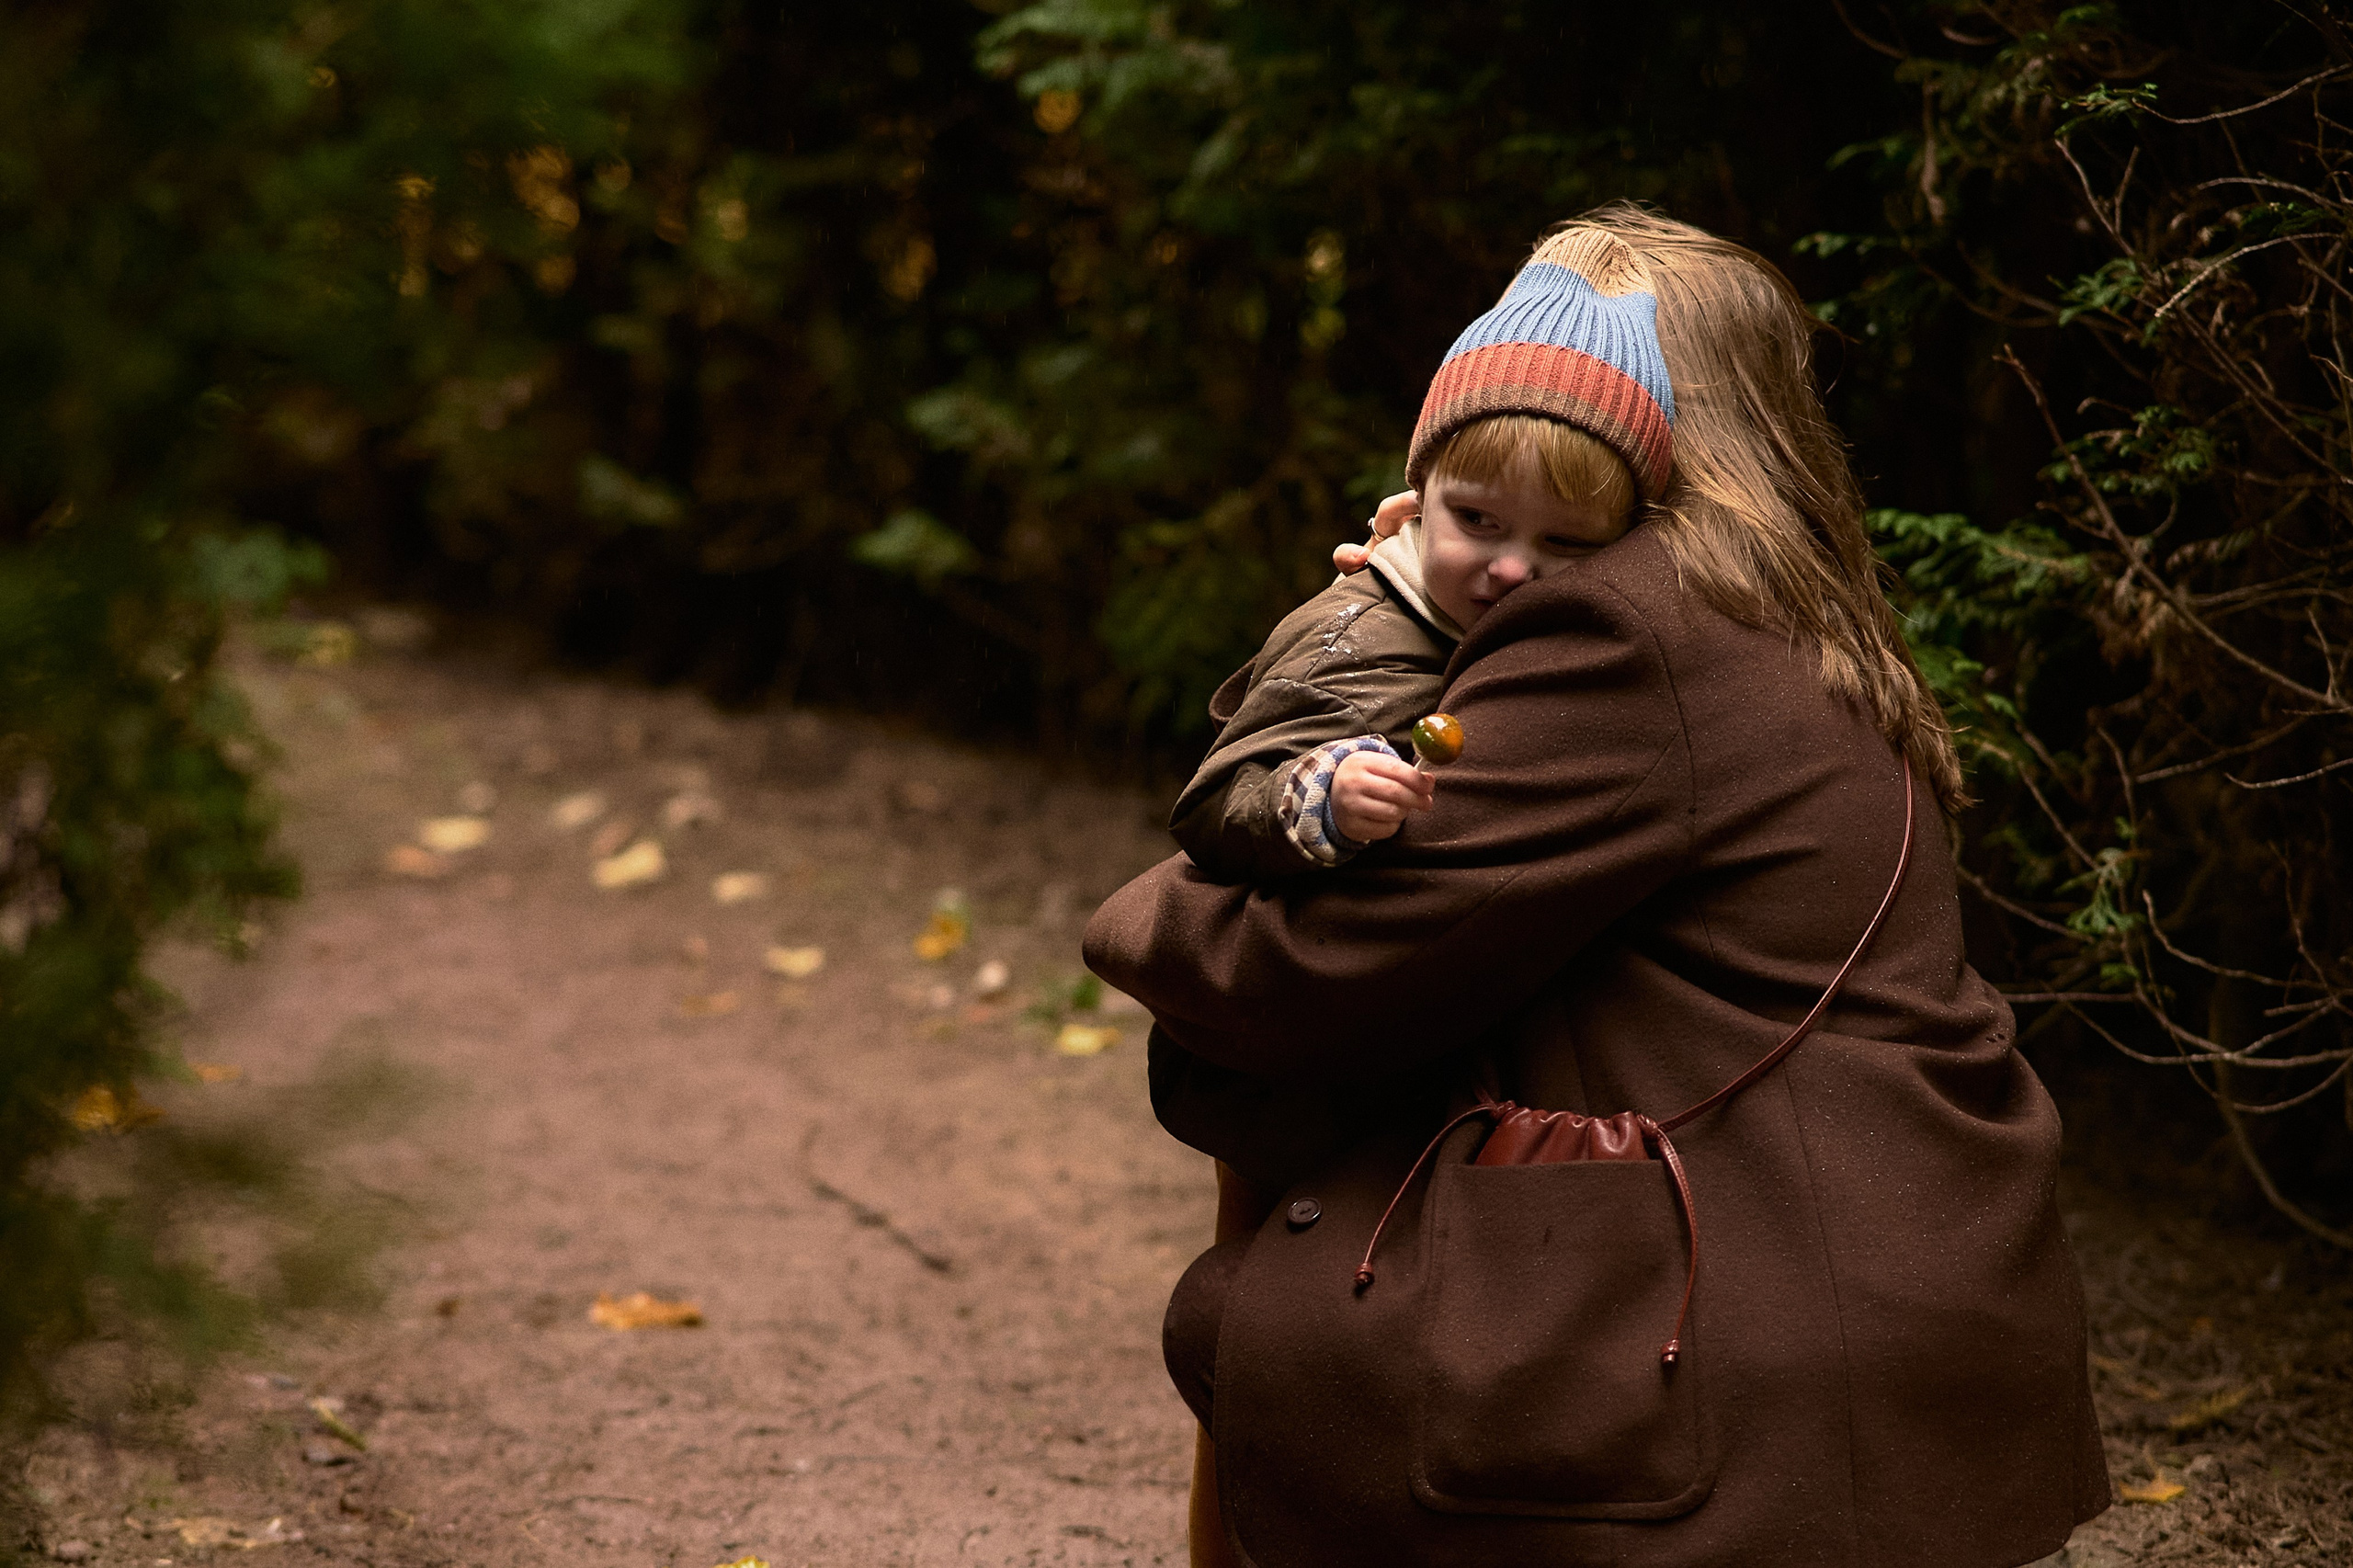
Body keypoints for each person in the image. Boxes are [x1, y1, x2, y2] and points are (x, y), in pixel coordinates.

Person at [1086, 203, 2110, 1568]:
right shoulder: (1799, 603)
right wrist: (1398, 631)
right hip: (1913, 1260)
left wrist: (1162, 896)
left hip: (1741, 1320)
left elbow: (1305, 970)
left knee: (1267, 1325)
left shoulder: (1627, 616)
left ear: (1654, 411)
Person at [1167, 226, 1670, 882]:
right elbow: (1209, 807)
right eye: (1478, 520)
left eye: (1567, 540)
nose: (1514, 567)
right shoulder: (1355, 643)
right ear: (1415, 500)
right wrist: (1323, 800)